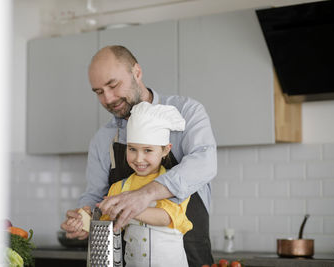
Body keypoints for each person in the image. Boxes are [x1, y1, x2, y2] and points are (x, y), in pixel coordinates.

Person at [61, 45, 217, 266]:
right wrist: (83, 218)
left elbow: (205, 163)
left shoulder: (187, 111)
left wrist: (144, 195)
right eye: (98, 92)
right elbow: (96, 196)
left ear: (136, 72)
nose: (108, 98)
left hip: (191, 256)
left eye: (113, 85)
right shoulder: (102, 139)